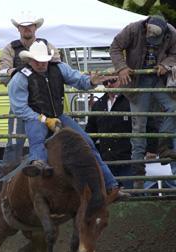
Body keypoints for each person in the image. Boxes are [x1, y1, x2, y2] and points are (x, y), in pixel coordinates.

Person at [8, 40, 129, 199]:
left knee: (87, 144)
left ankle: (111, 186)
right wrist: (44, 119)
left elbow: (78, 80)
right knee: (38, 139)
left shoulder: (58, 69)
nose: (41, 64)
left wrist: (91, 81)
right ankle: (39, 165)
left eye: (44, 61)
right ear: (30, 60)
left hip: (57, 115)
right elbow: (19, 108)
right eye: (38, 61)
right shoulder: (20, 78)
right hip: (37, 117)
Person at [109, 15, 176, 188]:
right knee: (139, 127)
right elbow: (115, 47)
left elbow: (174, 54)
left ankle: (162, 143)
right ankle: (138, 176)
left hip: (157, 79)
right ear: (146, 28)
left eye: (157, 40)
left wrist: (166, 64)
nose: (154, 43)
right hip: (137, 82)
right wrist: (122, 68)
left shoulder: (172, 33)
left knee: (173, 108)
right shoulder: (132, 29)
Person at [0, 12, 60, 165]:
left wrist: (16, 72)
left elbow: (57, 68)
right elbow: (1, 74)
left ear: (35, 27)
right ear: (18, 28)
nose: (27, 29)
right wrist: (16, 73)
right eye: (23, 26)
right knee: (14, 143)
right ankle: (10, 179)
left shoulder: (45, 46)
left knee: (46, 141)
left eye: (29, 26)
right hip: (21, 104)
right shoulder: (11, 48)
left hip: (44, 105)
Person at [86, 77, 133, 189]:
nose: (109, 84)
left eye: (112, 81)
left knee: (130, 192)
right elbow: (90, 130)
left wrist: (151, 148)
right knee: (110, 193)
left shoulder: (131, 101)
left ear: (121, 80)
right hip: (106, 159)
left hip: (128, 158)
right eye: (105, 82)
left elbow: (147, 124)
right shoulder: (98, 105)